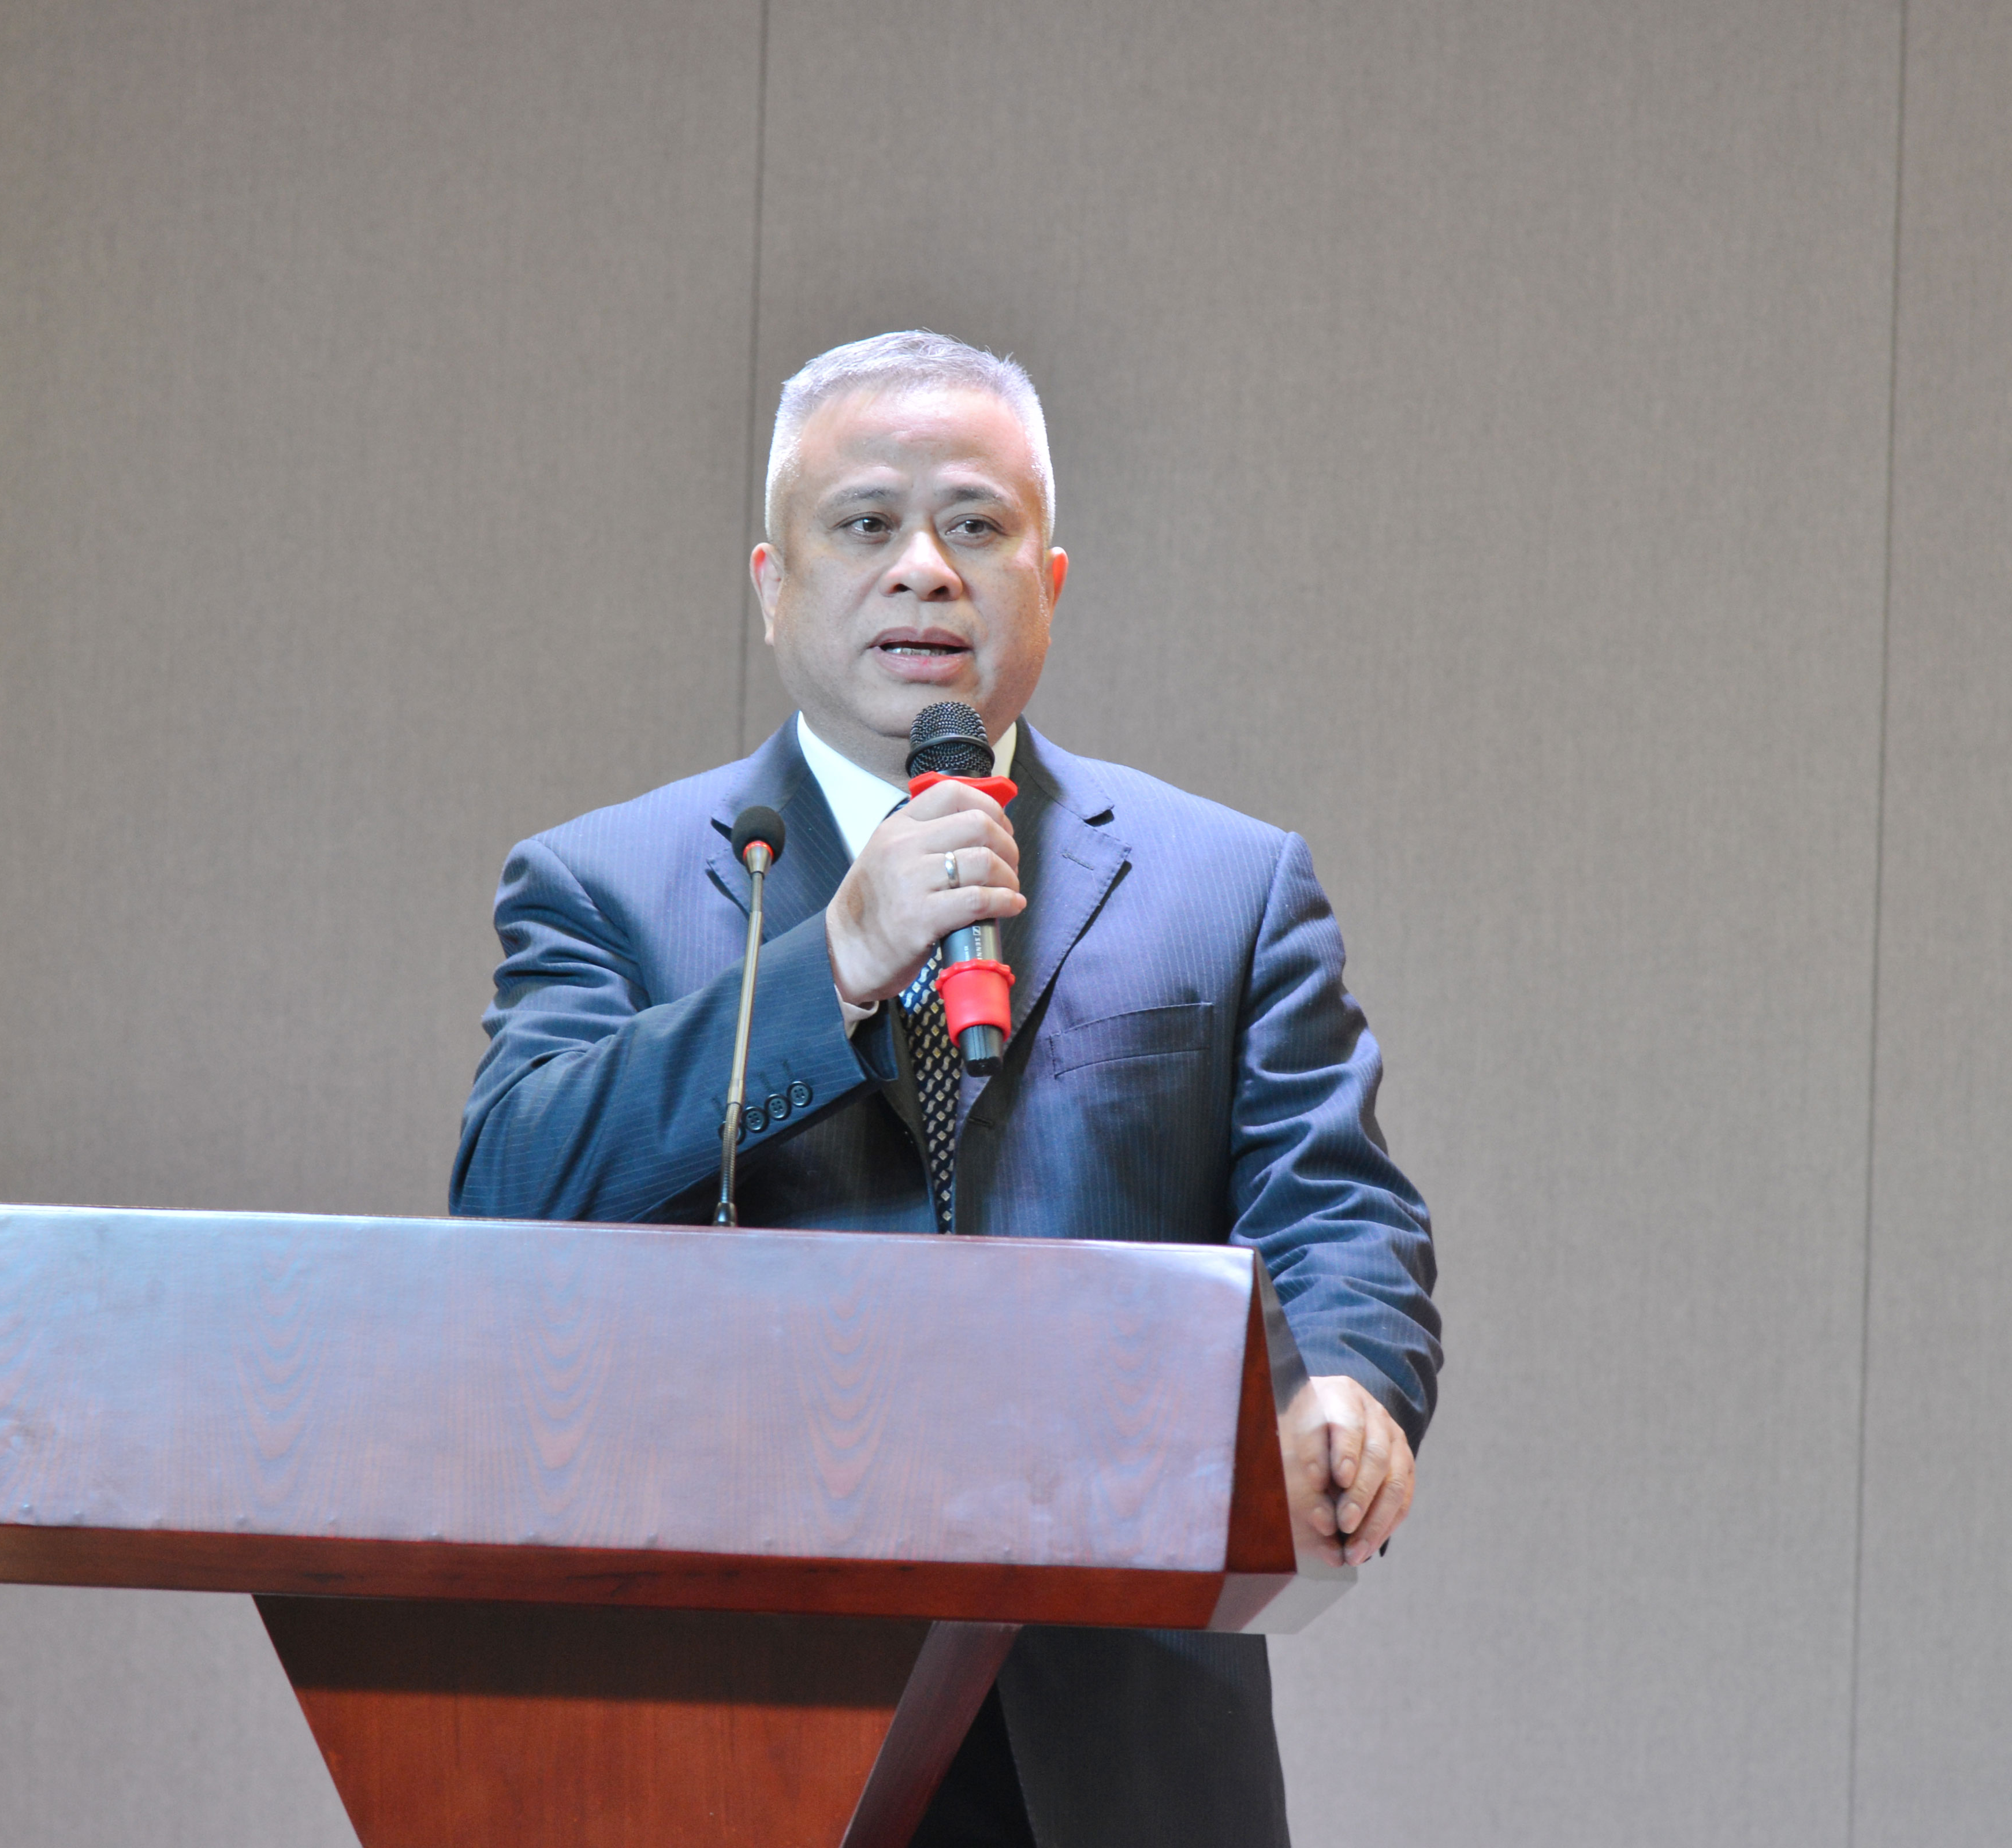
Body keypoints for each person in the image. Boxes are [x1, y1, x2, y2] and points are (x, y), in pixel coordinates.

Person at [453, 330, 1440, 1848]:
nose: (924, 569)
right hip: (738, 1715)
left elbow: (1335, 1208)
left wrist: (1353, 1386)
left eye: (976, 525)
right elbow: (512, 1189)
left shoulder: (1226, 888)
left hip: (1114, 1732)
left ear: (1050, 582)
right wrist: (836, 965)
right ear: (773, 583)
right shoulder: (603, 885)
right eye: (866, 524)